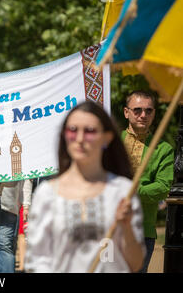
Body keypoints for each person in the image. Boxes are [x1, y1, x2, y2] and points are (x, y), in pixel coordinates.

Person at [25, 101, 145, 273]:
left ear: (107, 137)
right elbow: (37, 261)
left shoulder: (123, 191)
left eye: (90, 131)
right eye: (73, 130)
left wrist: (126, 227)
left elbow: (135, 264)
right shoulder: (47, 194)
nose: (80, 139)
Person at [122, 90, 174, 273]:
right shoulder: (111, 142)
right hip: (107, 230)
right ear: (126, 112)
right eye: (137, 110)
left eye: (149, 111)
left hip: (141, 232)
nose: (143, 115)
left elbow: (162, 187)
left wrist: (132, 190)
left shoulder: (164, 149)